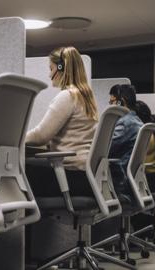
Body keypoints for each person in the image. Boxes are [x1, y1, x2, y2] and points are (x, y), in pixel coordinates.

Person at [25, 46, 98, 197]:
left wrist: (16, 138)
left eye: (51, 68)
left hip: (69, 178)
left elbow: (41, 136)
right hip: (86, 177)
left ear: (60, 68)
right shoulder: (86, 98)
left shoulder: (68, 96)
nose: (49, 74)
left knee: (22, 176)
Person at [107, 84, 143, 199]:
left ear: (121, 102)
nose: (110, 106)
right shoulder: (137, 121)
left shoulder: (124, 123)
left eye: (112, 102)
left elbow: (104, 150)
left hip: (119, 183)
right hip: (130, 181)